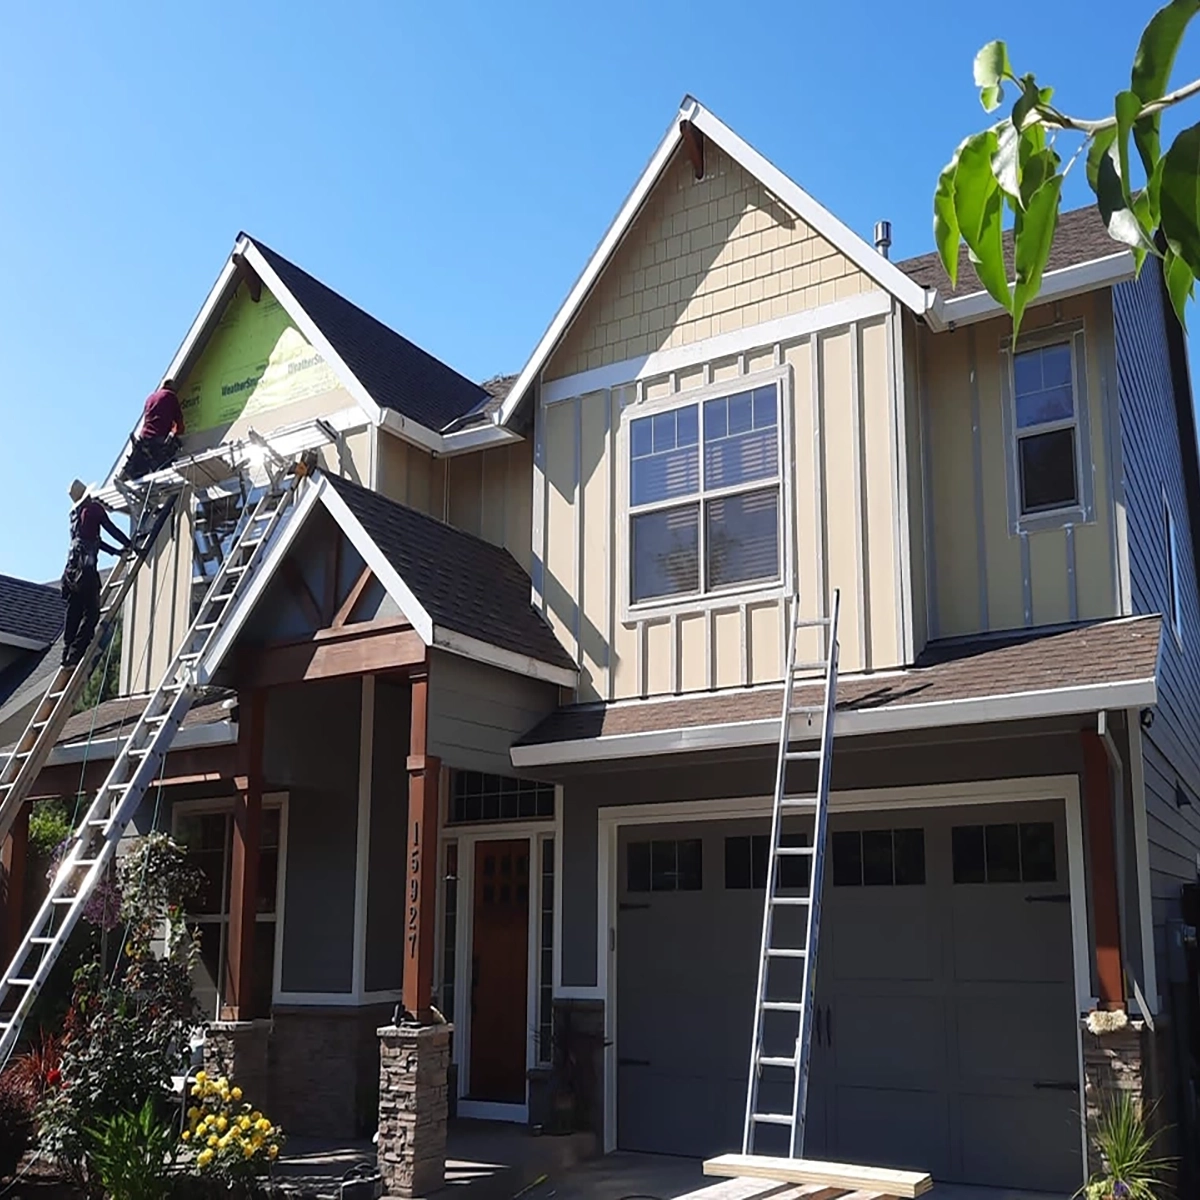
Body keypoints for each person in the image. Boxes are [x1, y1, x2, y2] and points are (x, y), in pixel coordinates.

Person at [61, 480, 131, 669]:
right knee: (91, 614)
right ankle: (76, 655)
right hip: (87, 572)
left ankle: (66, 654)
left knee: (74, 612)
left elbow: (92, 540)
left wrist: (116, 552)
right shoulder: (94, 509)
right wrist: (130, 544)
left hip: (71, 572)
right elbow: (110, 529)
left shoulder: (75, 516)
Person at [120, 380, 186, 480]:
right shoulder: (170, 396)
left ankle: (132, 476)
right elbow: (179, 422)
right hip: (158, 439)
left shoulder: (150, 398)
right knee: (165, 466)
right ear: (171, 387)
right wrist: (178, 433)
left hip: (144, 438)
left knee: (140, 466)